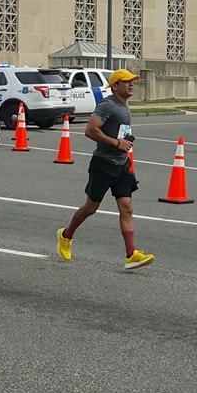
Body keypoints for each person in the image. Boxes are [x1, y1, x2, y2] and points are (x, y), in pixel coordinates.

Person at [56, 69, 155, 270]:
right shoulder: (107, 105)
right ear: (115, 85)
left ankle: (131, 254)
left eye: (132, 82)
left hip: (122, 164)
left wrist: (123, 145)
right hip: (103, 164)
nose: (131, 85)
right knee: (90, 208)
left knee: (126, 207)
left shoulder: (124, 105)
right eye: (126, 82)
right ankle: (66, 236)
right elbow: (90, 130)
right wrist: (116, 143)